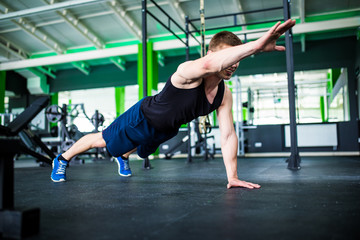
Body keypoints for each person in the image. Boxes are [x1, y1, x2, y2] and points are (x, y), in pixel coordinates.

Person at [51, 19, 296, 189]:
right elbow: (209, 66)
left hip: (165, 129)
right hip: (142, 116)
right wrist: (253, 47)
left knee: (141, 149)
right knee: (103, 139)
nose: (233, 64)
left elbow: (228, 135)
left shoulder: (225, 94)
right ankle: (62, 159)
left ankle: (123, 155)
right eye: (228, 57)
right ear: (211, 54)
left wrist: (232, 176)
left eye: (237, 59)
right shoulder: (188, 71)